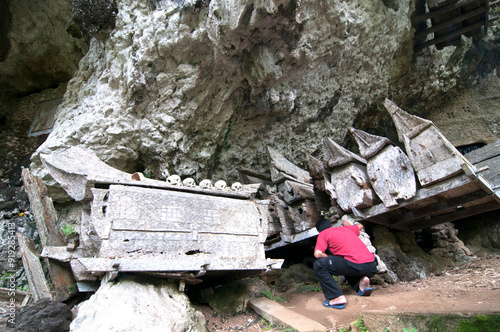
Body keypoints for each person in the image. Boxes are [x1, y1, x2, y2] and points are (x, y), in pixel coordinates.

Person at [313, 217, 378, 309]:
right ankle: (362, 283)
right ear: (331, 225)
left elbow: (318, 253)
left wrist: (329, 257)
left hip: (356, 265)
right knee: (343, 260)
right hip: (371, 265)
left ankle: (336, 297)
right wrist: (349, 225)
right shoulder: (345, 229)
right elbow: (360, 226)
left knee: (319, 264)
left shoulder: (324, 233)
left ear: (319, 231)